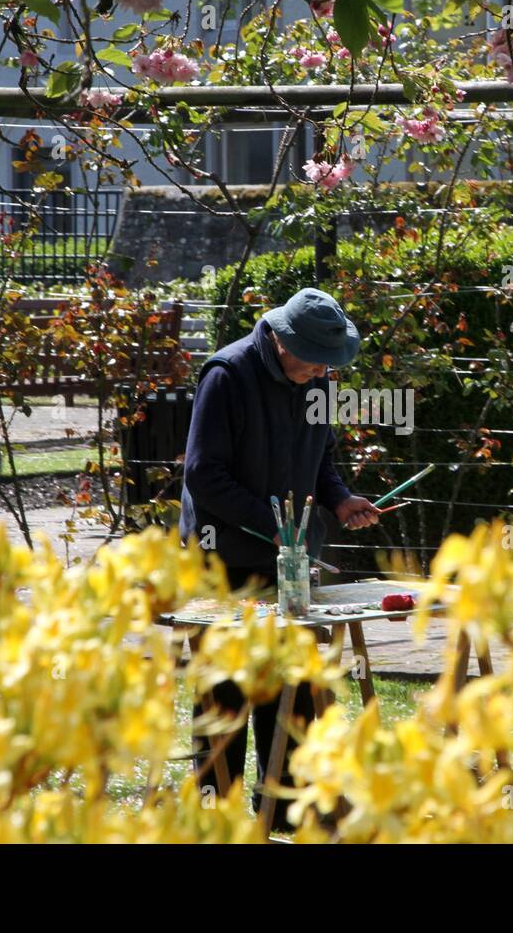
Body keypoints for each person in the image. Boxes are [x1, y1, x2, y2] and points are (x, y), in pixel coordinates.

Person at [179, 287, 379, 827]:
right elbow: (204, 474)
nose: (320, 374)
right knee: (224, 699)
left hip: (283, 561)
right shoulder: (227, 376)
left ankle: (284, 821)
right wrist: (277, 527)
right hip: (224, 565)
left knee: (288, 697)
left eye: (327, 366)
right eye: (314, 362)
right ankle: (214, 824)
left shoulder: (313, 379)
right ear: (281, 341)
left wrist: (339, 500)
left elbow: (322, 458)